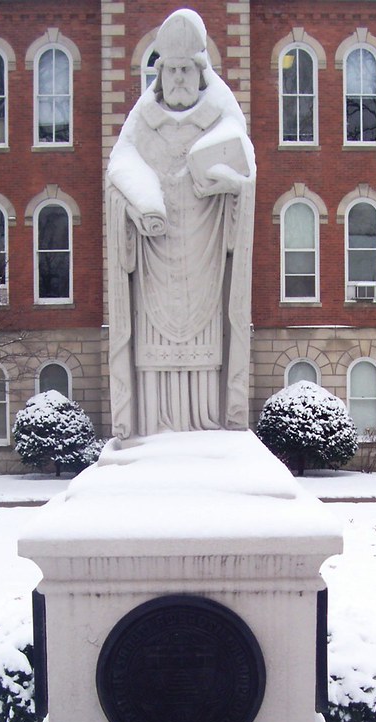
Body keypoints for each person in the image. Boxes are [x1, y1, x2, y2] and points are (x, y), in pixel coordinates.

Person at [106, 8, 256, 439]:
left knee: (206, 352)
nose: (177, 79)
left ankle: (206, 426)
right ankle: (153, 430)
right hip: (154, 261)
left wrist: (231, 185)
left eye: (185, 69)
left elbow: (244, 171)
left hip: (205, 257)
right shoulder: (142, 120)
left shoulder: (221, 114)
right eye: (169, 70)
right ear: (159, 73)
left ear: (200, 71)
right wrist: (138, 204)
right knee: (153, 355)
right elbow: (120, 166)